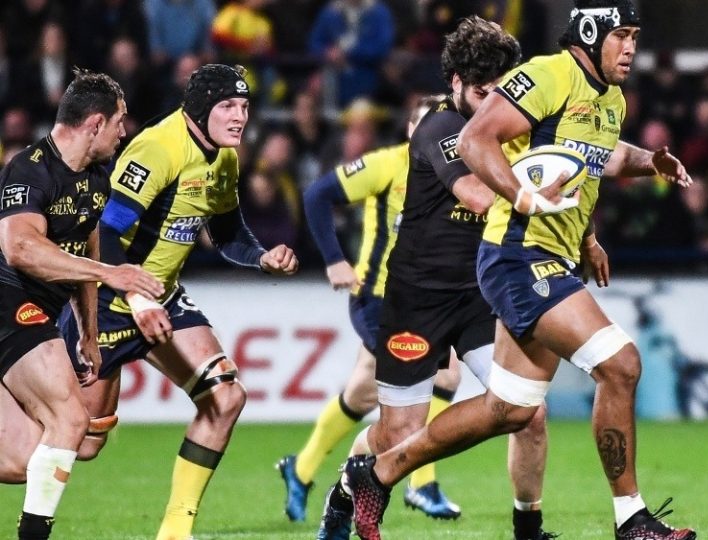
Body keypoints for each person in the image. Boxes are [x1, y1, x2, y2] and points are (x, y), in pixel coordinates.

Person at [336, 2, 698, 539]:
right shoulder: (547, 74)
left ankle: (380, 472)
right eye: (622, 35)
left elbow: (597, 159)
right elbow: (474, 139)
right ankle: (632, 520)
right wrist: (522, 197)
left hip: (548, 256)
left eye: (635, 37)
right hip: (518, 256)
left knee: (510, 408)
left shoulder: (609, 99)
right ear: (592, 32)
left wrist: (648, 165)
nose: (631, 49)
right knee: (620, 364)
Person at [318, 16, 556, 540]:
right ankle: (348, 485)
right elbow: (475, 194)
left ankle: (528, 527)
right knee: (399, 434)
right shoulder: (441, 128)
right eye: (480, 91)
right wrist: (537, 190)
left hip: (478, 296)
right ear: (454, 83)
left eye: (500, 90)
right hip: (417, 301)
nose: (491, 99)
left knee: (527, 411)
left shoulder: (505, 125)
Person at [50, 64, 296, 540]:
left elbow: (226, 233)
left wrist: (262, 257)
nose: (239, 117)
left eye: (244, 107)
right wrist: (136, 299)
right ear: (201, 109)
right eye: (228, 106)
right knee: (81, 442)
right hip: (104, 303)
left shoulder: (224, 158)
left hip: (163, 298)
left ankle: (174, 531)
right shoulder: (158, 148)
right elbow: (106, 232)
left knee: (225, 396)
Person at [276, 95, 465, 523]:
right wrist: (333, 259)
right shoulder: (388, 165)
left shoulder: (457, 172)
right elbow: (318, 194)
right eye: (424, 123)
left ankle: (301, 470)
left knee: (362, 391)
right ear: (410, 130)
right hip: (378, 296)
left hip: (424, 301)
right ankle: (423, 485)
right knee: (440, 370)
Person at [0, 69, 165, 540]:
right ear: (95, 124)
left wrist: (88, 334)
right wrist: (114, 274)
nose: (123, 131)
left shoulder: (95, 178)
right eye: (119, 121)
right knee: (72, 421)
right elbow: (20, 249)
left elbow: (85, 250)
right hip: (10, 302)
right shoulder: (28, 169)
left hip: (38, 315)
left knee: (26, 456)